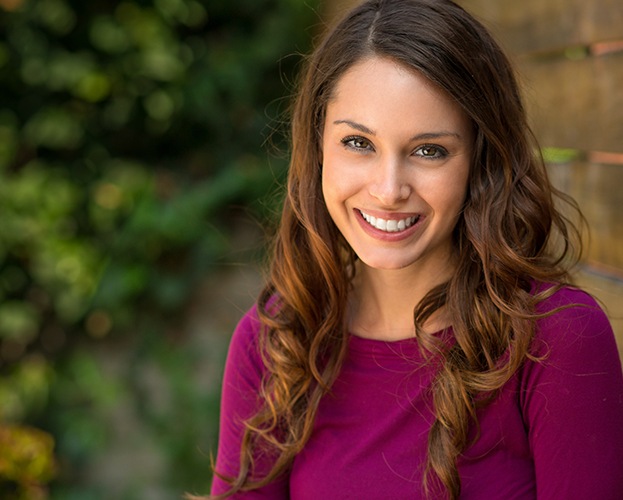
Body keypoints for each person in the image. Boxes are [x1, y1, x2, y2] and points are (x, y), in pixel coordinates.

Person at [199, 0, 623, 498]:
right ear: (318, 147)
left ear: (480, 162)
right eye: (358, 143)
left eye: (429, 151)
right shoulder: (278, 341)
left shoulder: (558, 339)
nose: (388, 188)